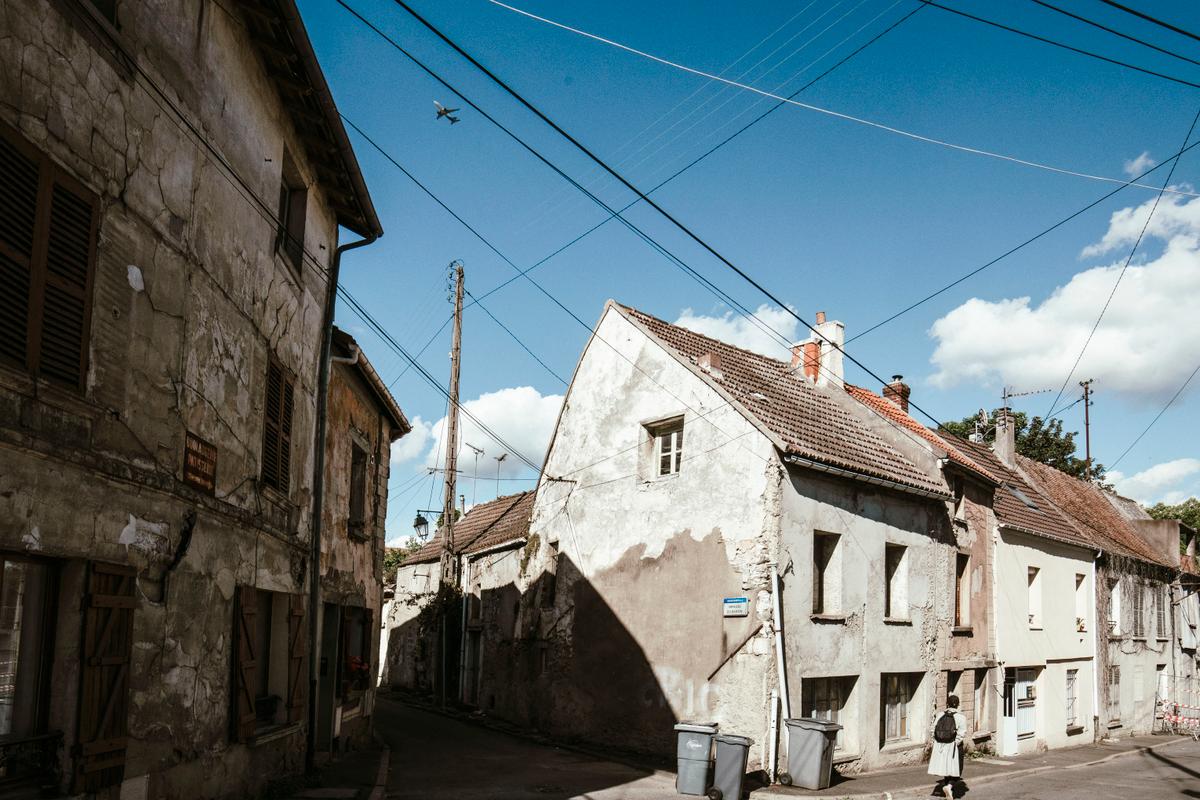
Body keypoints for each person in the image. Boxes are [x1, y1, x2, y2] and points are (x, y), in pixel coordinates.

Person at [928, 694, 967, 798]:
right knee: (958, 768)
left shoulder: (940, 714)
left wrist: (938, 742)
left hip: (941, 745)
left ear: (947, 704)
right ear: (958, 705)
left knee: (946, 767)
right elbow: (962, 733)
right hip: (954, 746)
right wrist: (955, 743)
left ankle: (947, 787)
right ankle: (949, 787)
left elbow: (933, 729)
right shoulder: (961, 717)